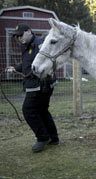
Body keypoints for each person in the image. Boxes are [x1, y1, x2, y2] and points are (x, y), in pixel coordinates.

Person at [6, 24, 59, 152]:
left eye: (21, 34)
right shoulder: (27, 46)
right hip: (34, 84)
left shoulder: (40, 44)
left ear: (29, 31)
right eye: (17, 36)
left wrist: (42, 78)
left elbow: (48, 63)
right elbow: (27, 64)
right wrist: (16, 68)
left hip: (41, 84)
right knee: (42, 110)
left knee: (28, 110)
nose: (19, 38)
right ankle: (53, 138)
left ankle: (42, 138)